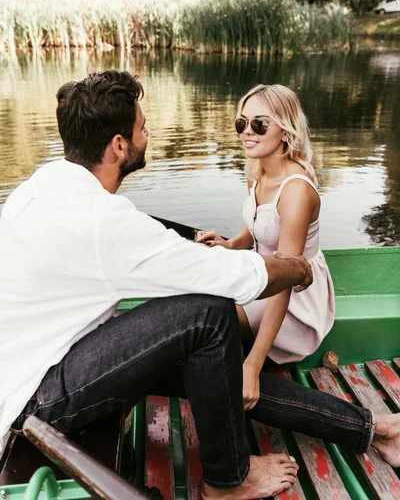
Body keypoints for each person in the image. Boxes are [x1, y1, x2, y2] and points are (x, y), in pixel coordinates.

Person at [0, 72, 399, 500]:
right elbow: (235, 278)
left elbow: (133, 233)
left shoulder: (45, 184)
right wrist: (297, 270)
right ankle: (228, 480)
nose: (148, 134)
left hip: (49, 358)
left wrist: (200, 244)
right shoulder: (104, 221)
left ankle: (376, 429)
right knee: (209, 314)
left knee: (208, 354)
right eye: (142, 128)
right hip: (37, 397)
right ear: (119, 145)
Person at [196, 84, 335, 410]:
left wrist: (253, 366)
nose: (247, 132)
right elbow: (257, 226)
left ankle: (240, 364)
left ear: (286, 132)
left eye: (259, 124)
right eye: (241, 123)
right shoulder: (256, 171)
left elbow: (286, 279)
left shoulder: (296, 191)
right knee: (194, 290)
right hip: (259, 271)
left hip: (294, 298)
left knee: (210, 318)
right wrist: (230, 245)